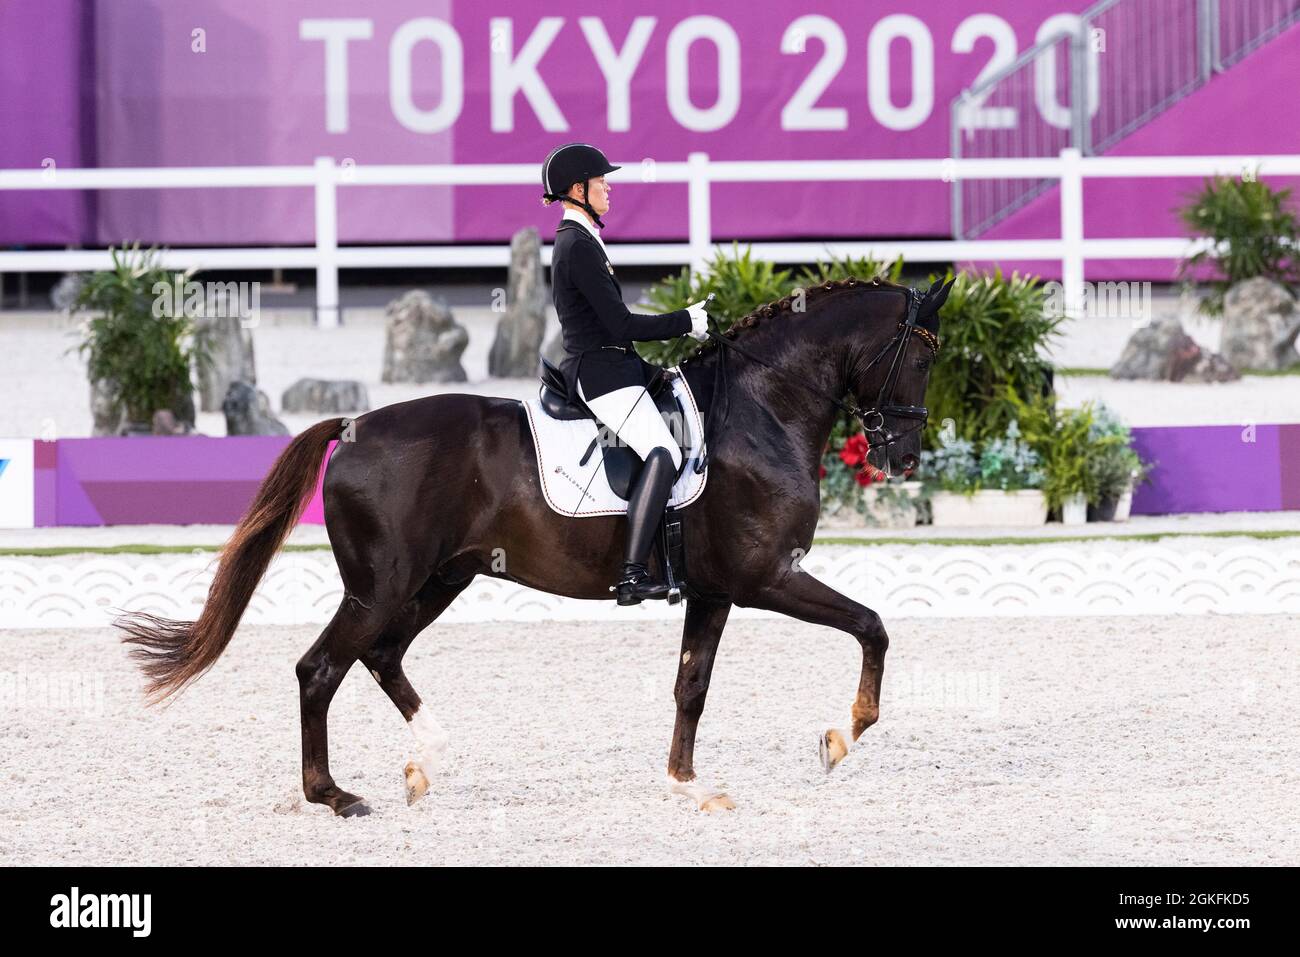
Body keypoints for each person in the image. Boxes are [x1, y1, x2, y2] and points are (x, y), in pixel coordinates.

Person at [541, 142, 711, 605]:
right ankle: (634, 573)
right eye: (601, 182)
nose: (608, 188)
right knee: (664, 450)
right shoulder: (576, 245)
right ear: (578, 190)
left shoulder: (582, 238)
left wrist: (646, 368)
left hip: (613, 364)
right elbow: (621, 325)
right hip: (600, 373)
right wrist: (686, 321)